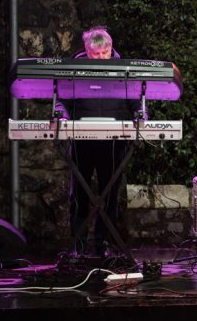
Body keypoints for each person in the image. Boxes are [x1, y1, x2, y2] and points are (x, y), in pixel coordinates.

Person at [56, 26, 142, 257]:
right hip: (82, 140)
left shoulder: (124, 70)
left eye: (106, 53)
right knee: (79, 194)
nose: (102, 58)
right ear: (86, 51)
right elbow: (61, 100)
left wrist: (140, 116)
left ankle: (104, 244)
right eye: (96, 55)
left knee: (110, 194)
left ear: (111, 49)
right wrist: (61, 116)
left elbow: (138, 102)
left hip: (113, 142)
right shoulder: (73, 70)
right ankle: (79, 246)